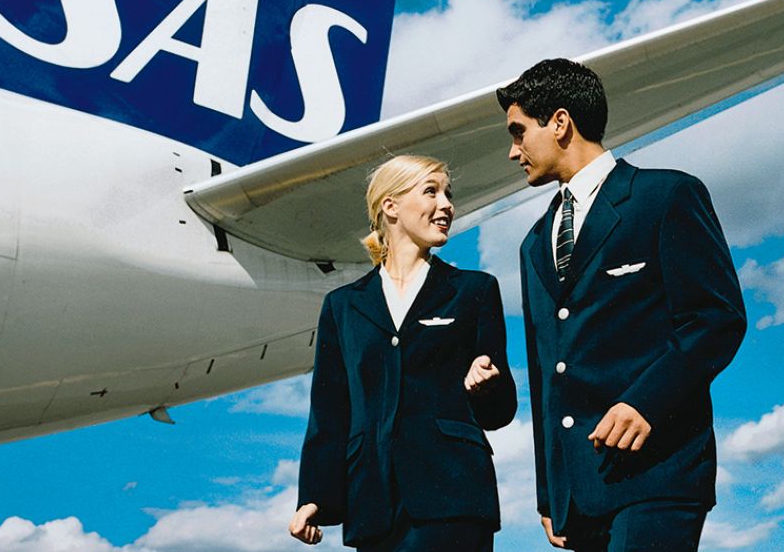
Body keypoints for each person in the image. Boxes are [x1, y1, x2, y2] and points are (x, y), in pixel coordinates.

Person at [497, 59, 746, 551]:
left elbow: (716, 319)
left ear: (561, 123)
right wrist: (551, 494)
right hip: (582, 493)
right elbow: (547, 372)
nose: (512, 152)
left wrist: (644, 401)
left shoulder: (666, 196)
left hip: (659, 471)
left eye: (519, 132)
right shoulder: (532, 244)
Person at [289, 155, 517, 551]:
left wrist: (487, 386)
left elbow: (499, 413)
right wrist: (315, 497)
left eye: (448, 194)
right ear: (389, 206)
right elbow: (329, 411)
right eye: (431, 191)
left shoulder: (474, 291)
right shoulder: (343, 306)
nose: (447, 204)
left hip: (453, 499)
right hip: (373, 506)